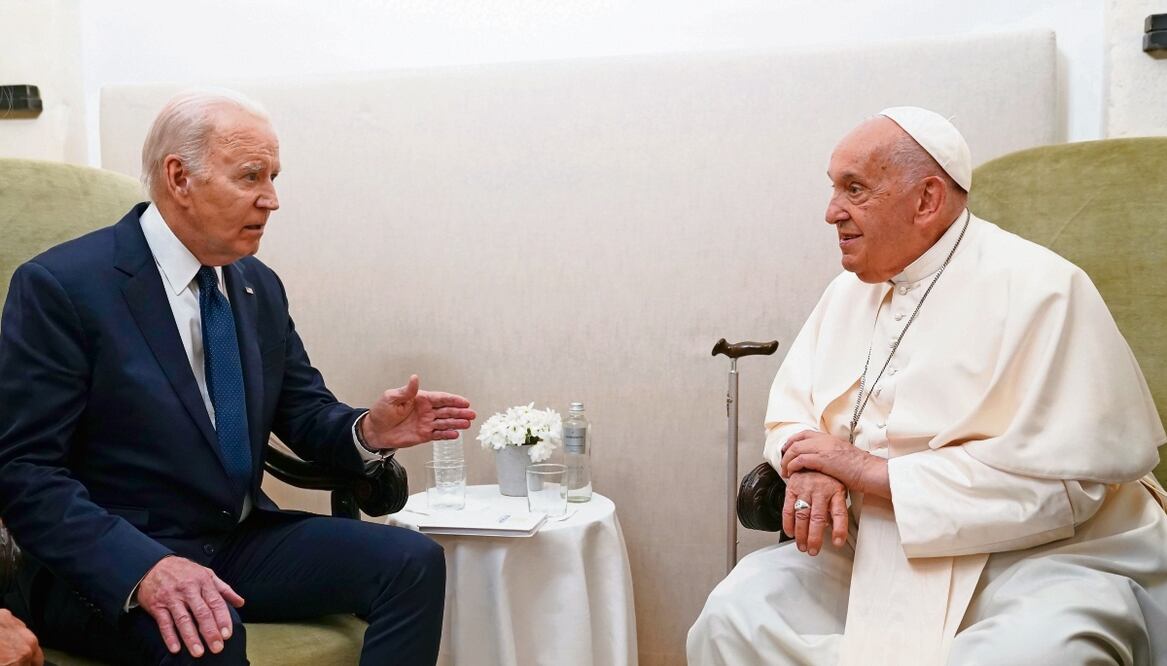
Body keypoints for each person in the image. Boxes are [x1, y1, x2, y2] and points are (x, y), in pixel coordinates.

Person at [0, 89, 476, 665]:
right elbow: (26, 472)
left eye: (273, 177)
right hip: (112, 563)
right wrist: (144, 568)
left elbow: (304, 412)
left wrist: (367, 432)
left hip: (237, 540)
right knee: (208, 633)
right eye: (251, 176)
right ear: (179, 178)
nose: (271, 199)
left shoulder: (256, 285)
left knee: (412, 562)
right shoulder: (62, 287)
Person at [687, 107, 1167, 664]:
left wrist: (869, 472)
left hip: (1036, 557)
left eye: (854, 189)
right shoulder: (846, 293)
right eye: (833, 188)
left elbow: (1069, 490)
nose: (831, 212)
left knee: (1033, 653)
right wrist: (809, 467)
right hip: (871, 548)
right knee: (733, 617)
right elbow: (791, 415)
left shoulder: (1045, 289)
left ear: (927, 200)